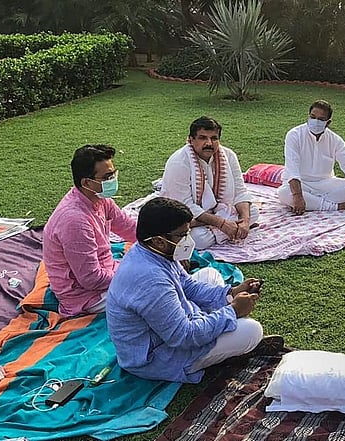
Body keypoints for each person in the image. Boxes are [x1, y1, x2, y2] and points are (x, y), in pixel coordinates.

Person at [106, 197, 282, 383]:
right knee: (252, 330)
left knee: (209, 274)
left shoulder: (150, 251)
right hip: (156, 358)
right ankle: (223, 354)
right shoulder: (151, 280)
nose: (188, 240)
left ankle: (221, 334)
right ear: (159, 241)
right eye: (182, 235)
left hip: (169, 330)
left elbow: (189, 286)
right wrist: (233, 311)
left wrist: (232, 293)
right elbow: (184, 336)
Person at [43, 144, 138, 317]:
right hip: (85, 297)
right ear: (87, 182)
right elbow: (91, 279)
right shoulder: (75, 221)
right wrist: (133, 272)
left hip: (107, 272)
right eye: (107, 177)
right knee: (153, 290)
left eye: (114, 174)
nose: (113, 180)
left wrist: (159, 240)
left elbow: (129, 228)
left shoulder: (101, 200)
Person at [160, 116, 258, 249]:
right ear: (191, 139)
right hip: (187, 213)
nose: (209, 143)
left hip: (216, 212)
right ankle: (229, 229)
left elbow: (240, 192)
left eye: (214, 138)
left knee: (252, 211)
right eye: (202, 138)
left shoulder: (229, 156)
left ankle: (233, 227)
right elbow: (185, 205)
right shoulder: (178, 162)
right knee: (198, 239)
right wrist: (221, 223)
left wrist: (245, 221)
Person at [278, 100, 345, 215]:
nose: (315, 121)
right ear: (308, 117)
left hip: (325, 183)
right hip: (301, 184)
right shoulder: (294, 135)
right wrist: (298, 195)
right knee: (284, 193)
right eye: (313, 117)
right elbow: (292, 169)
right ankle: (335, 206)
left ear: (328, 123)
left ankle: (315, 203)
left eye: (321, 119)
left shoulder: (335, 140)